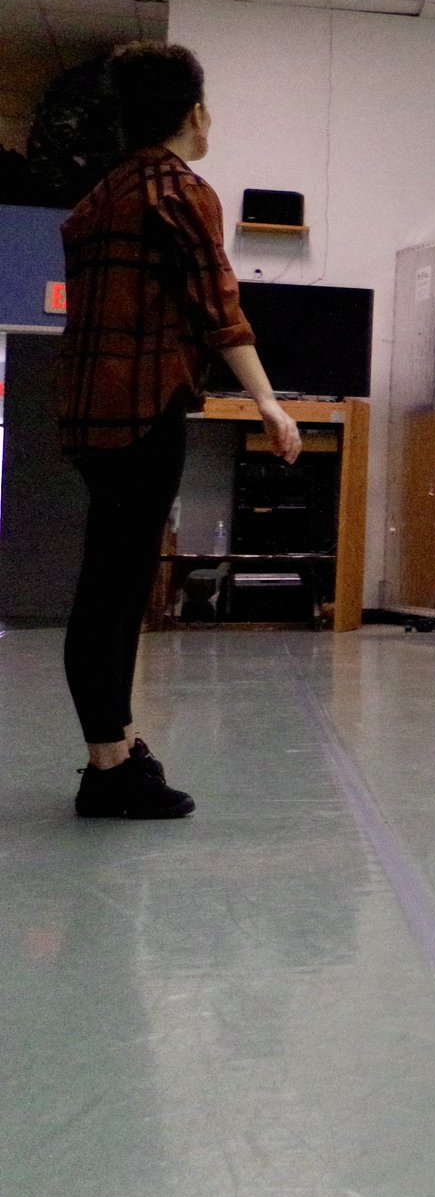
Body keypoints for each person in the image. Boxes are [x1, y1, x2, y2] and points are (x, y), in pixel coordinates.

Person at [54, 41, 303, 819]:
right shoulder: (180, 192)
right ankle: (108, 767)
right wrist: (268, 401)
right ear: (195, 113)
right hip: (145, 412)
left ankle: (119, 747)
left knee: (108, 583)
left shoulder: (99, 197)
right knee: (116, 591)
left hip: (88, 416)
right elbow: (218, 310)